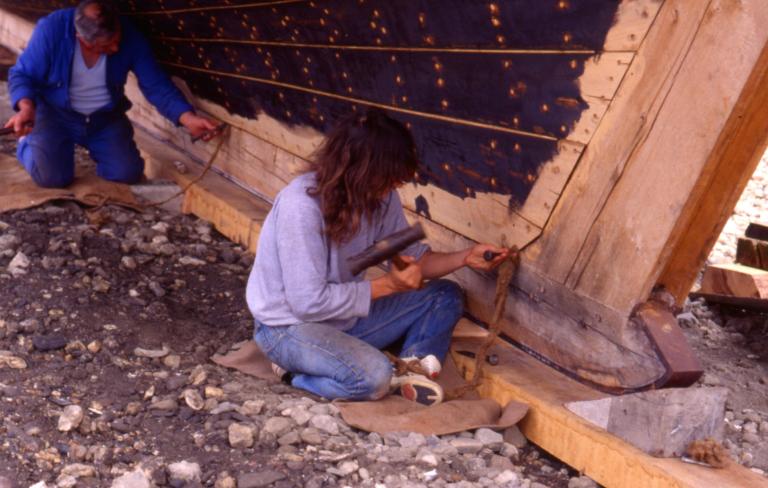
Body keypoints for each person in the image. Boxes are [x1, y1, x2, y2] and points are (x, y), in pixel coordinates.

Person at [246, 109, 509, 406]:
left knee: (444, 294)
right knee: (373, 377)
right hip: (288, 329)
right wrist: (388, 286)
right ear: (359, 173)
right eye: (386, 181)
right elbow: (307, 303)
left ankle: (413, 369)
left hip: (344, 322)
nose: (390, 190)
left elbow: (414, 261)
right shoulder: (301, 207)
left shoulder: (380, 197)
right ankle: (294, 375)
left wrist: (465, 257)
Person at [4, 0, 218, 188]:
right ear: (82, 38)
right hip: (55, 115)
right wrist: (26, 108)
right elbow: (22, 74)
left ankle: (93, 149)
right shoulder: (52, 29)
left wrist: (188, 118)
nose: (116, 48)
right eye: (106, 45)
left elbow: (156, 85)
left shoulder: (131, 37)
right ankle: (27, 144)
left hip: (104, 119)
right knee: (52, 179)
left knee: (126, 174)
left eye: (117, 39)